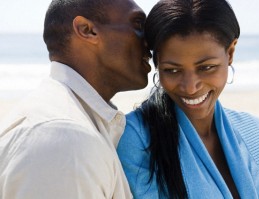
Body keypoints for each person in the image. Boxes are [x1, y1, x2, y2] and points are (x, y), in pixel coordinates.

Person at [117, 0, 259, 198]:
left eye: (206, 67)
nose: (190, 87)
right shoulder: (135, 139)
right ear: (157, 64)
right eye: (172, 70)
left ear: (231, 52)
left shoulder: (256, 132)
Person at [0, 0, 151, 198]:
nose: (150, 41)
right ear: (87, 30)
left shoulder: (70, 122)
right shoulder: (66, 138)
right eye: (138, 25)